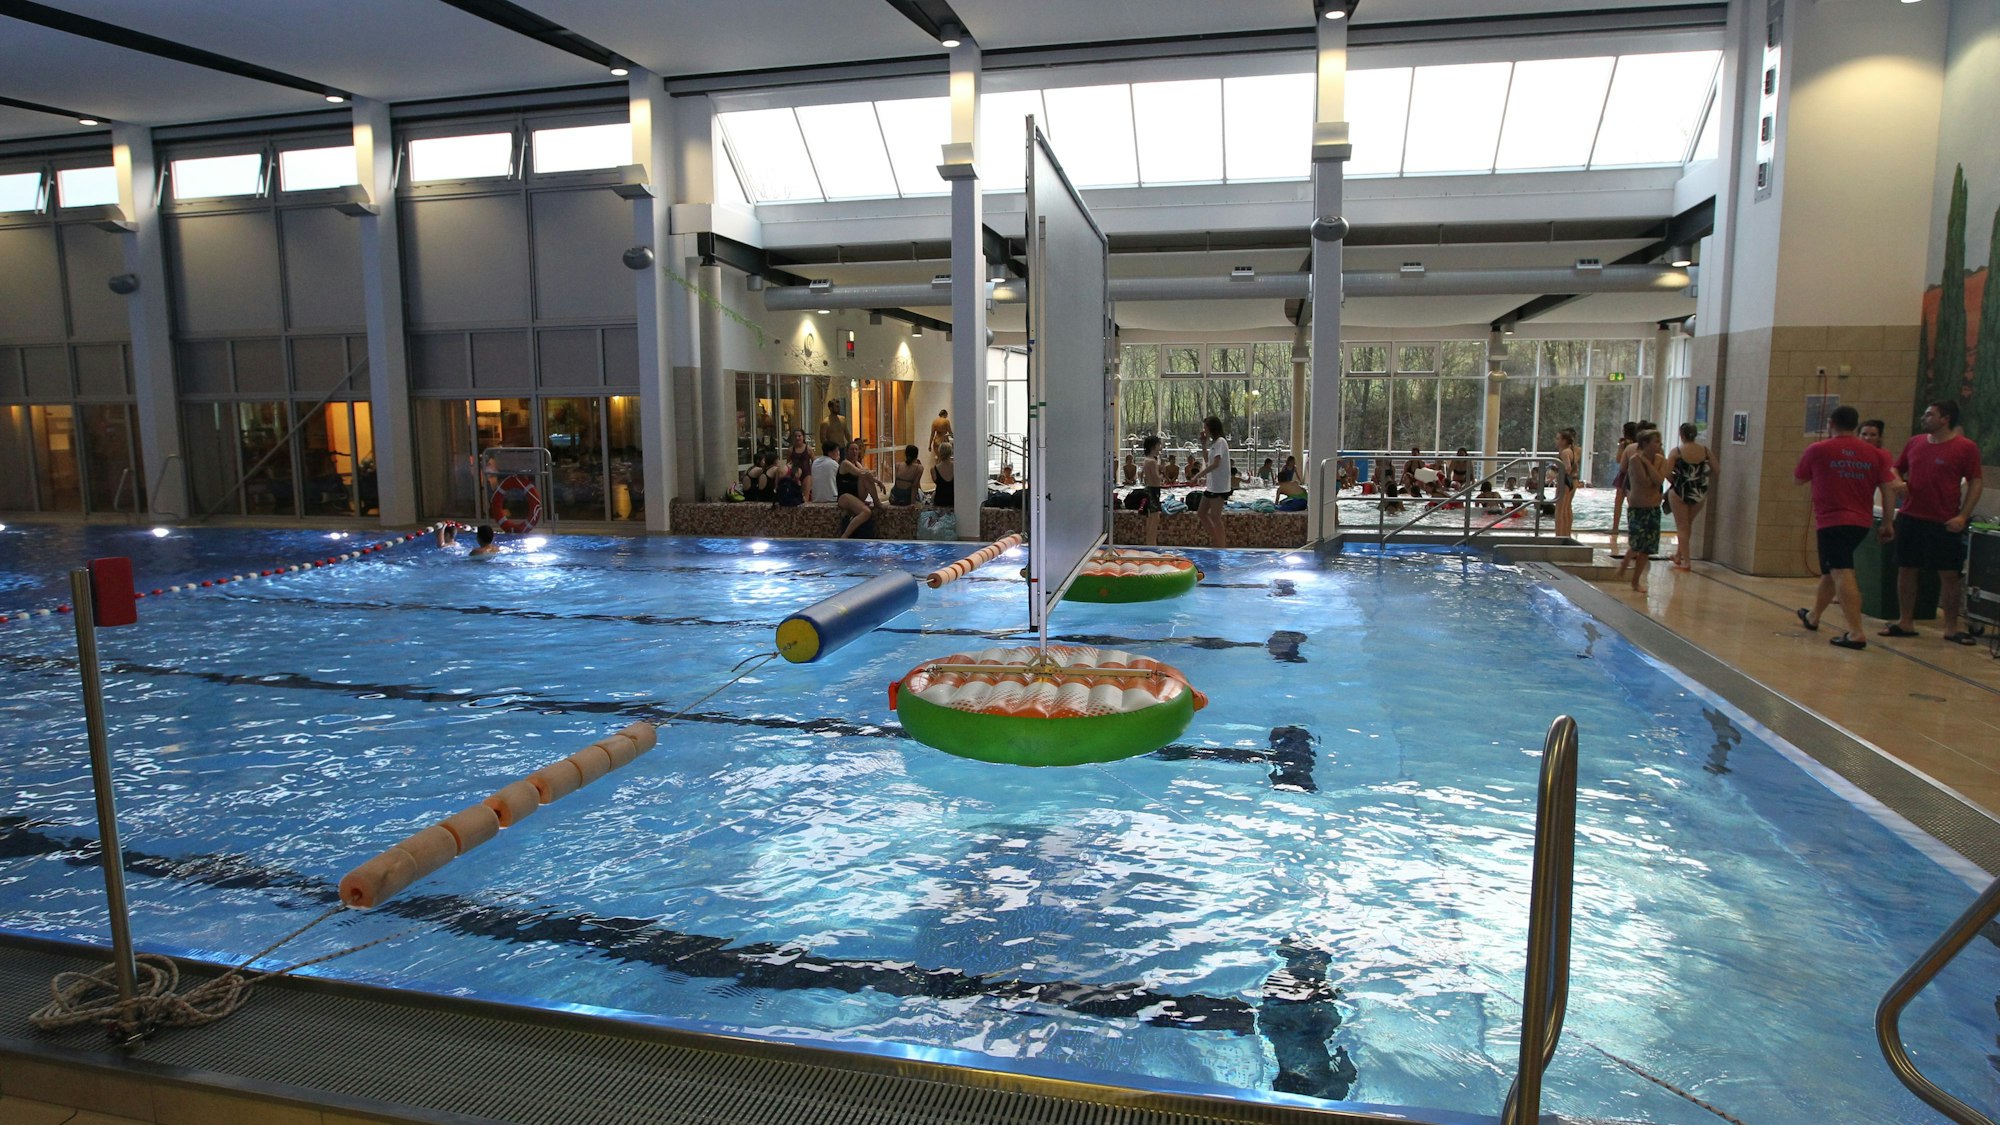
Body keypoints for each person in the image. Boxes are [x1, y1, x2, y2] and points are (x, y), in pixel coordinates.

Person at [1794, 405, 1897, 650]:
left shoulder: (1819, 450)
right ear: (1856, 425)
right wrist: (1888, 523)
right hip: (1861, 522)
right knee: (1831, 571)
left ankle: (1856, 632)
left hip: (1832, 521)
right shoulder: (1877, 455)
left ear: (1831, 423)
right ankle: (1813, 616)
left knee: (1841, 570)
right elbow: (1888, 489)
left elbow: (1798, 479)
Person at [1883, 399, 1986, 643]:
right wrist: (1898, 481)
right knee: (1907, 569)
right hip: (1911, 517)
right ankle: (1905, 621)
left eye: (1930, 414)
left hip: (1943, 520)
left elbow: (1976, 482)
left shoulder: (1965, 448)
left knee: (1949, 574)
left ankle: (1951, 627)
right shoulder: (1915, 442)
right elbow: (1895, 468)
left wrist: (1962, 515)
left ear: (1945, 419)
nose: (1924, 418)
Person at [1621, 428, 1668, 591]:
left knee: (1647, 549)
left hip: (1653, 508)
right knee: (1636, 544)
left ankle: (1635, 581)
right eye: (1656, 441)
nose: (1659, 445)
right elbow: (1646, 483)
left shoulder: (1660, 459)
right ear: (1645, 444)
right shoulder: (1634, 460)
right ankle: (1623, 567)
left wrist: (1647, 463)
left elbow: (1660, 480)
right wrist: (1653, 472)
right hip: (1638, 508)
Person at [1664, 422, 1713, 570]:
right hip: (1699, 492)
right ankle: (1679, 556)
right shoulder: (1705, 451)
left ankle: (1687, 561)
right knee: (1687, 525)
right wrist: (1701, 479)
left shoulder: (1677, 451)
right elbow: (1716, 468)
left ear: (1681, 435)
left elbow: (1666, 472)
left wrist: (1677, 481)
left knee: (1682, 527)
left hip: (1680, 491)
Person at [835, 439, 880, 538]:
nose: (855, 452)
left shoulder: (857, 463)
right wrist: (878, 482)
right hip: (845, 497)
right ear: (846, 452)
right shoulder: (845, 463)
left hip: (857, 495)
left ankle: (877, 503)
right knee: (866, 512)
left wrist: (875, 480)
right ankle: (845, 536)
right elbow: (861, 473)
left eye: (856, 449)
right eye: (852, 450)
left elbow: (865, 473)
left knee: (866, 477)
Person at [1198, 415, 1231, 549]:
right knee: (1201, 513)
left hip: (1219, 487)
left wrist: (1200, 474)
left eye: (1205, 427)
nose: (1204, 430)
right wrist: (1203, 444)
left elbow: (1216, 464)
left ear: (1211, 428)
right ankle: (1216, 541)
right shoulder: (1214, 444)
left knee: (1215, 516)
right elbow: (1207, 460)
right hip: (1212, 486)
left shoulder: (1221, 442)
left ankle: (1221, 547)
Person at [1608, 421, 1639, 555]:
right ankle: (1633, 529)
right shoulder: (1639, 445)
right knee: (1632, 504)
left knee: (1618, 502)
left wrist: (1621, 447)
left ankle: (1615, 527)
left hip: (1624, 475)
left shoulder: (1626, 445)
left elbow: (1618, 459)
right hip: (1635, 474)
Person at [1553, 428, 1580, 539]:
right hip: (1571, 480)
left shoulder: (1565, 452)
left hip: (1564, 480)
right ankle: (1566, 534)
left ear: (1564, 440)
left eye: (1558, 438)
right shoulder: (1573, 450)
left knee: (1559, 510)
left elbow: (1567, 468)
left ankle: (1559, 535)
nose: (1556, 441)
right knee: (1566, 508)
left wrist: (1556, 475)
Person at [1139, 435, 1165, 545]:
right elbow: (1157, 478)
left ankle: (1149, 542)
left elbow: (1144, 478)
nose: (1160, 448)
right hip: (1154, 491)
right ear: (1154, 446)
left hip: (1148, 489)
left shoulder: (1146, 460)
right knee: (1155, 519)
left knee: (1151, 518)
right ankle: (1152, 543)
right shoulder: (1152, 462)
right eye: (1159, 445)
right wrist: (1162, 471)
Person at [930, 440, 956, 509]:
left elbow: (936, 482)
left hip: (940, 501)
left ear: (939, 452)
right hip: (954, 500)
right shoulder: (957, 467)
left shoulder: (934, 469)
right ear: (951, 452)